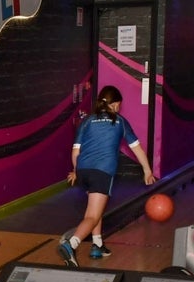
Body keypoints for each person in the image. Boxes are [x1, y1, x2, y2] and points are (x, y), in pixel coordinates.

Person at [58, 86, 154, 267]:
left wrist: (76, 170)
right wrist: (147, 170)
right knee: (92, 216)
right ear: (116, 104)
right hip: (102, 172)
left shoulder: (87, 120)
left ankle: (97, 245)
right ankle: (71, 244)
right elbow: (137, 149)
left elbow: (75, 151)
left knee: (96, 209)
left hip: (84, 171)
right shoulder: (120, 121)